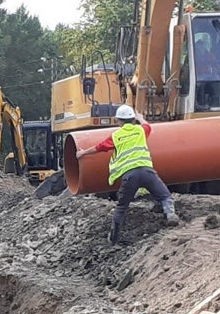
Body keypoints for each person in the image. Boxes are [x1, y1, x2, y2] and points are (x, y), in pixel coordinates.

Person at [76, 104, 180, 244]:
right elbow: (148, 126)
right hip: (147, 172)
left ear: (119, 121)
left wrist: (83, 153)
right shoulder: (140, 131)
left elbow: (99, 147)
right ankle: (170, 214)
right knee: (165, 196)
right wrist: (141, 118)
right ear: (133, 119)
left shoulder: (116, 136)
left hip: (130, 176)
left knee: (122, 207)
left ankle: (114, 239)